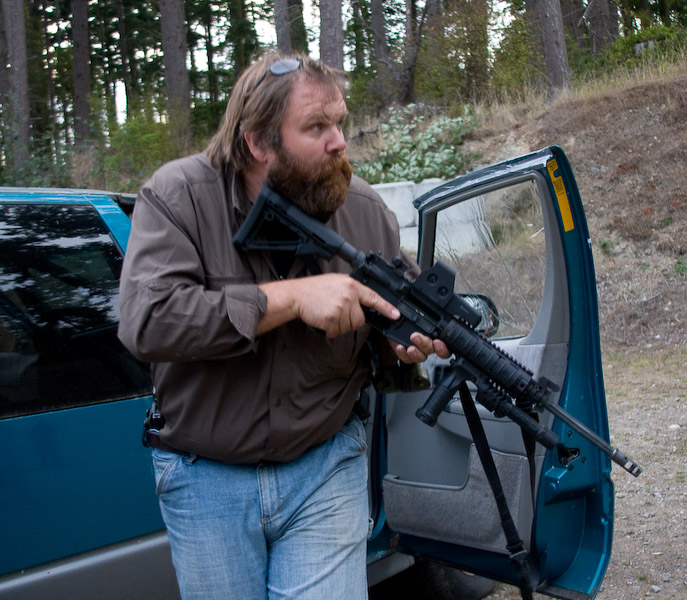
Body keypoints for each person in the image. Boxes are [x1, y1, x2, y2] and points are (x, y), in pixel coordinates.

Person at [117, 53, 449, 600]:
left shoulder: (365, 211)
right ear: (258, 143)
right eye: (317, 127)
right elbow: (149, 323)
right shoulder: (179, 197)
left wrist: (404, 344)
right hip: (206, 478)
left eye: (339, 122)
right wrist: (291, 299)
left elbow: (395, 314)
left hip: (325, 466)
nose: (339, 142)